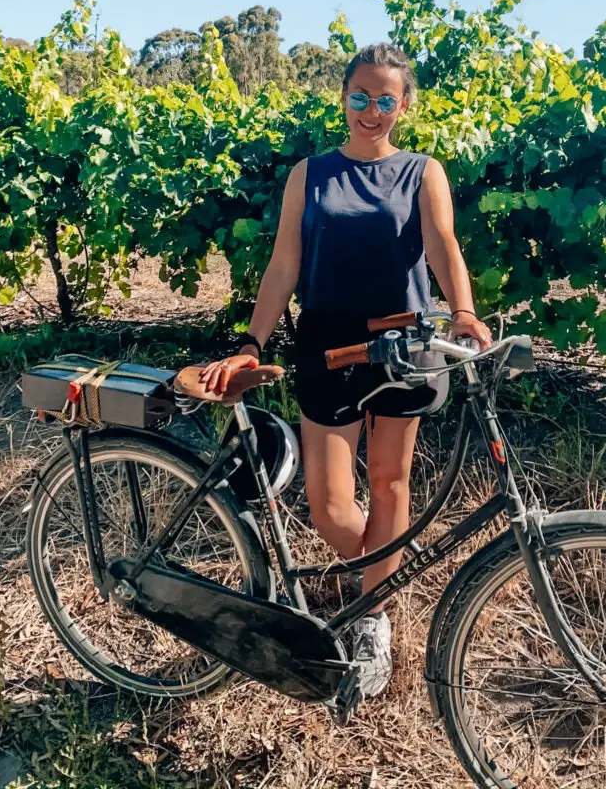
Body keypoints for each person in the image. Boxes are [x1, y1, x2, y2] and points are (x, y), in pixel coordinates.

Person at [198, 44, 492, 699]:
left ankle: (373, 618)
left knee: (389, 484)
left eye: (386, 99)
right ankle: (379, 574)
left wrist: (463, 310)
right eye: (360, 96)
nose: (371, 110)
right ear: (343, 98)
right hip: (327, 344)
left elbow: (443, 245)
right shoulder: (312, 174)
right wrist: (251, 339)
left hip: (404, 340)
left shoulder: (422, 171)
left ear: (404, 106)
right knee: (331, 507)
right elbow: (283, 266)